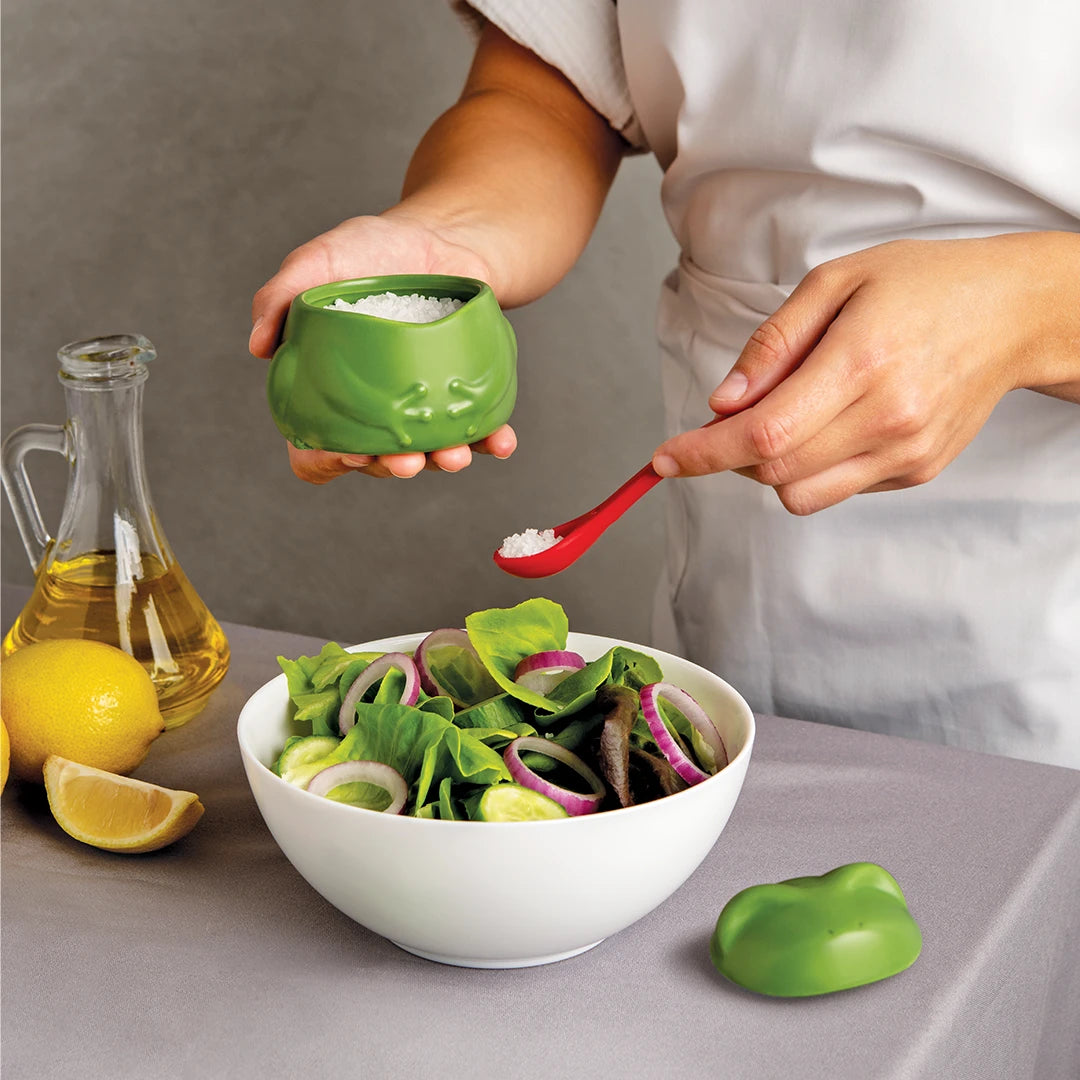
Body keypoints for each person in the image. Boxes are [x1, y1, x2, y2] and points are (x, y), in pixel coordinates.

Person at [250, 3, 1080, 769]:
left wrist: (1024, 315)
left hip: (1049, 609)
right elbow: (544, 92)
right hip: (744, 577)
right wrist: (451, 236)